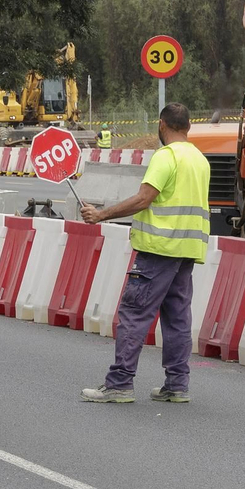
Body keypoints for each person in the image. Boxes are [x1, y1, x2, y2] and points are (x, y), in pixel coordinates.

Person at [78, 102, 211, 404]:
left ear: (162, 125)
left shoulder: (166, 157)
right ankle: (177, 385)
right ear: (188, 126)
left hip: (158, 250)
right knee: (177, 319)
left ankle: (119, 384)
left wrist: (102, 214)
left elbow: (143, 199)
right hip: (187, 251)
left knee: (134, 315)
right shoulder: (200, 160)